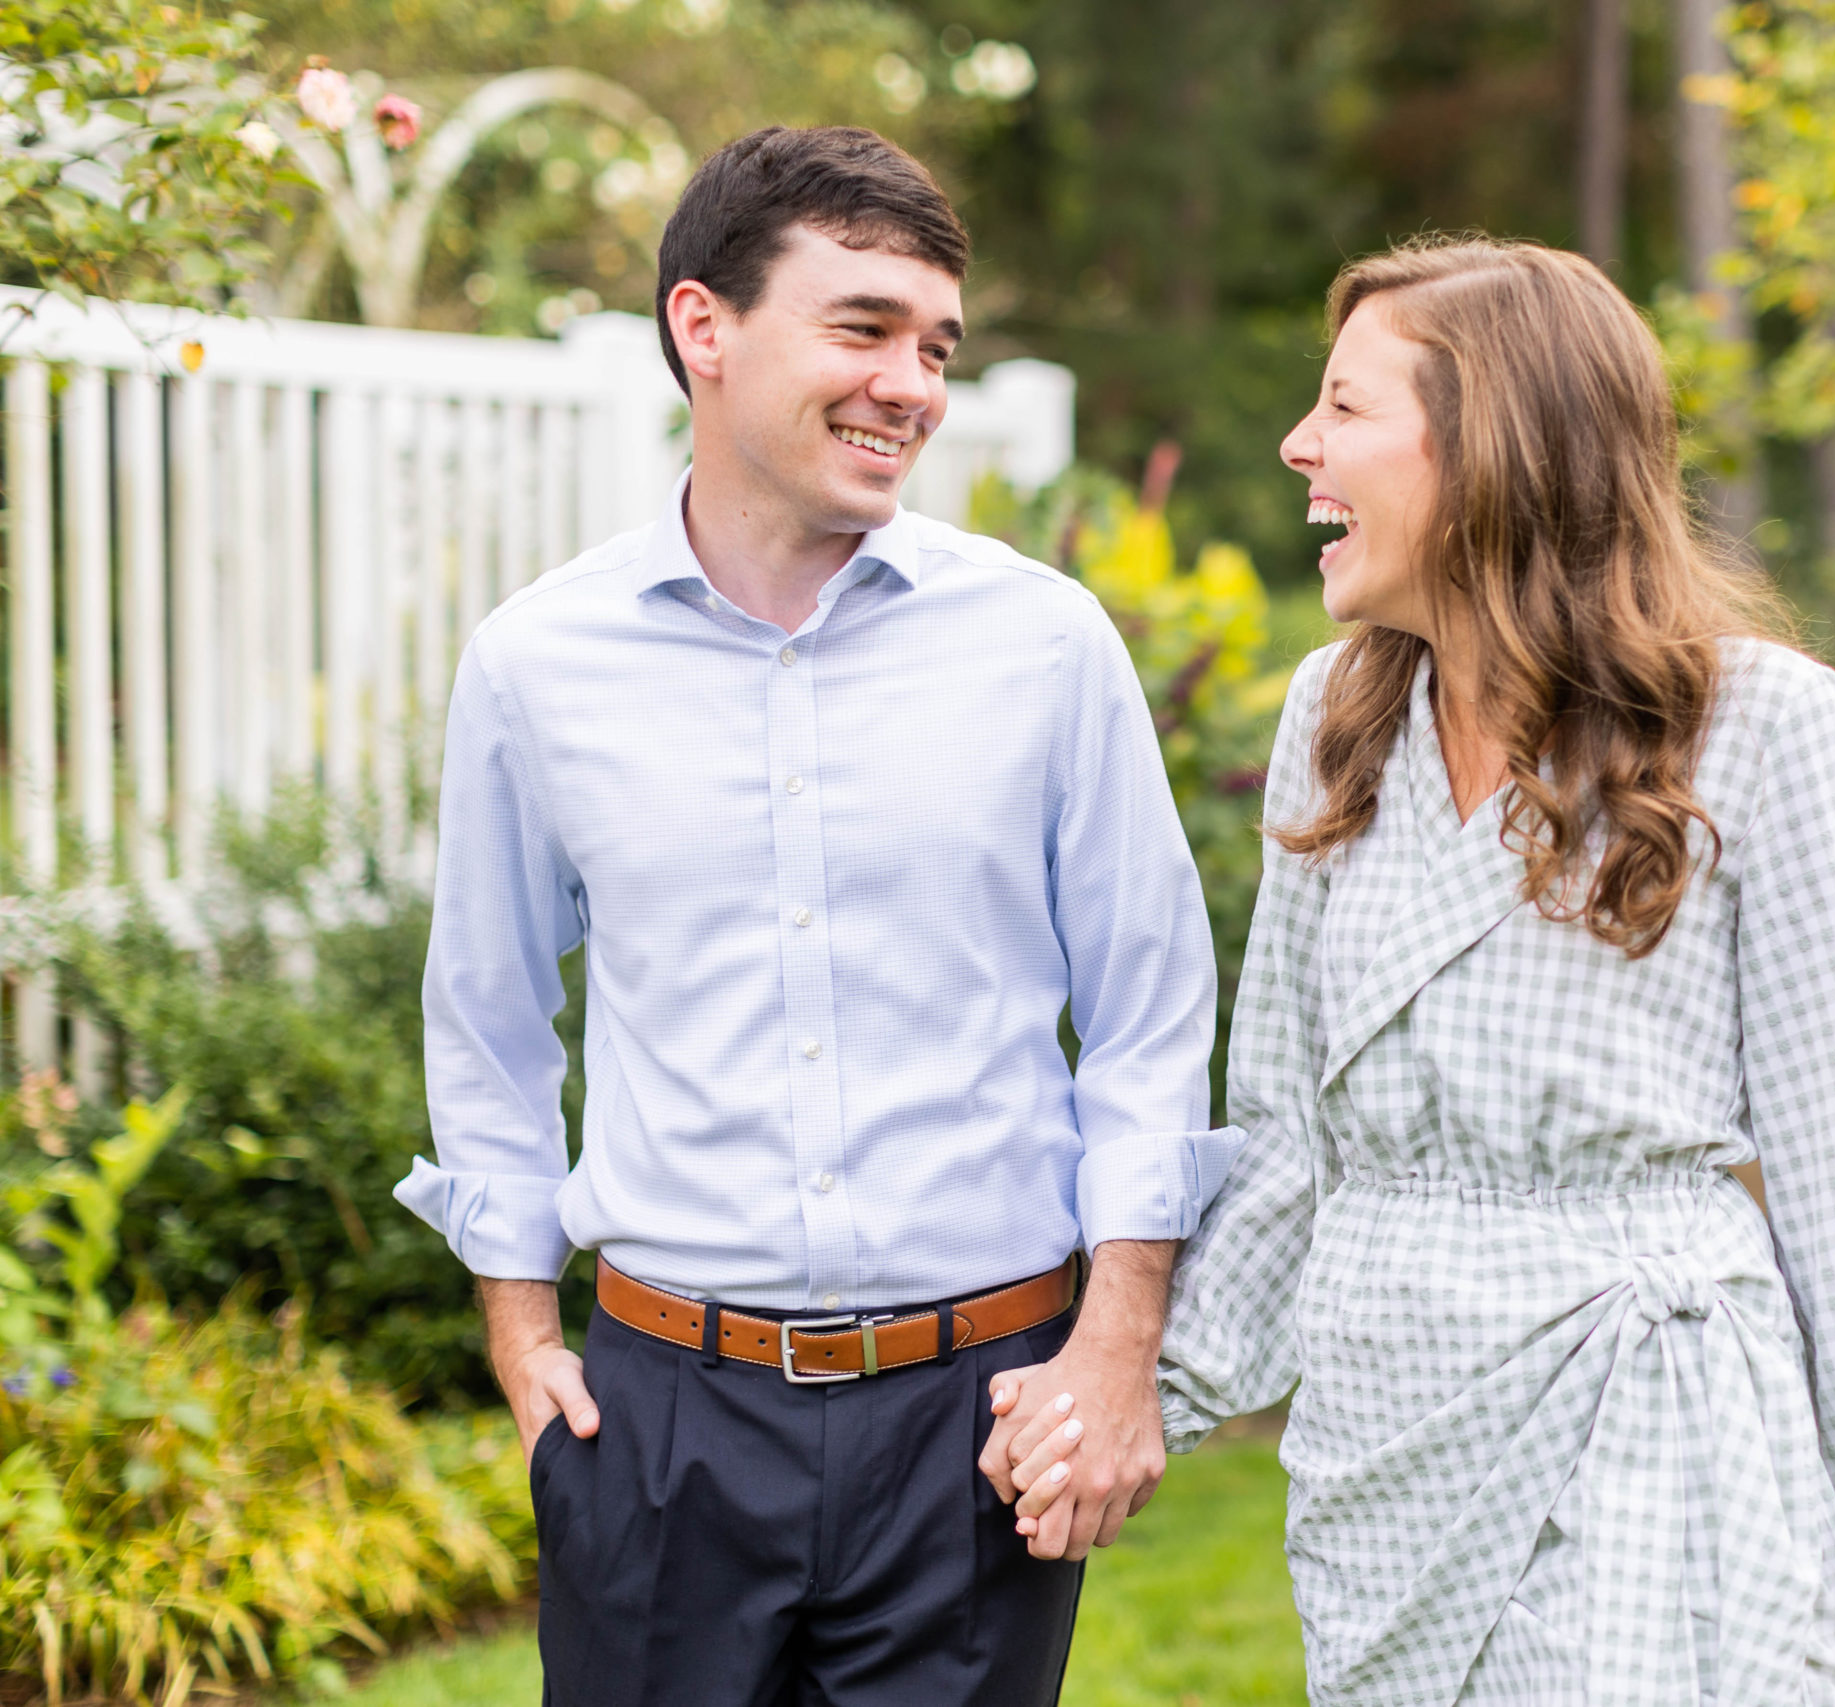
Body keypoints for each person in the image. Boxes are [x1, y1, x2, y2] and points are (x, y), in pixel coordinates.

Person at [1004, 236, 1835, 1704]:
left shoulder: (1758, 726)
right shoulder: (1336, 718)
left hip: (1640, 1416)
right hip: (1385, 1441)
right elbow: (1295, 1134)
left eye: (1347, 408)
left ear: (1495, 446)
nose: (1300, 444)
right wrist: (1129, 1388)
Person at [392, 125, 1236, 1707]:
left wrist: (1117, 1353)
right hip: (658, 1432)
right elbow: (490, 1017)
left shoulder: (1046, 647)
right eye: (863, 329)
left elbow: (1148, 1018)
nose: (912, 384)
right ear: (703, 328)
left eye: (935, 346)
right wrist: (519, 1339)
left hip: (976, 1426)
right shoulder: (536, 665)